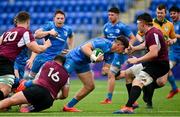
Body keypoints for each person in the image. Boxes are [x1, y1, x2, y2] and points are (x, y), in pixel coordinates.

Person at [113, 13, 169, 114]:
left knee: (137, 81)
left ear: (143, 24)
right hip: (152, 63)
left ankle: (128, 107)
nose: (137, 25)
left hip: (159, 65)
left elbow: (154, 53)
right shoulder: (151, 32)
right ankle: (133, 102)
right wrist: (134, 48)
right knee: (128, 74)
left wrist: (137, 60)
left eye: (138, 23)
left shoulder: (152, 34)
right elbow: (145, 44)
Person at [62, 35, 129, 112]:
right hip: (73, 58)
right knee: (60, 82)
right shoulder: (103, 43)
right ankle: (48, 97)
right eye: (124, 48)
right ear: (118, 45)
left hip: (83, 63)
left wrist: (111, 72)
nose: (124, 51)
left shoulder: (112, 55)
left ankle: (68, 106)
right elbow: (84, 47)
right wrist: (94, 57)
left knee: (90, 86)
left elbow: (105, 70)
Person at [0, 11, 51, 100]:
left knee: (6, 86)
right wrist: (46, 45)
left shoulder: (7, 32)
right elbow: (37, 49)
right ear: (28, 21)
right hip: (6, 61)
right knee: (5, 90)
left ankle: (5, 105)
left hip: (3, 59)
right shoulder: (25, 32)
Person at [0, 55, 69, 112]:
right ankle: (26, 108)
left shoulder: (48, 64)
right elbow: (65, 95)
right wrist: (57, 96)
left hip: (37, 90)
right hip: (48, 101)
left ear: (54, 60)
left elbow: (36, 80)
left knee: (11, 100)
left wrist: (26, 84)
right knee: (24, 109)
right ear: (63, 63)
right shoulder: (66, 75)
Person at [100, 7, 139, 104]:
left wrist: (127, 47)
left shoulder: (122, 26)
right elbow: (103, 40)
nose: (110, 16)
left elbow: (133, 38)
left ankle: (108, 99)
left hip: (119, 54)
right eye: (109, 14)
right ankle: (132, 72)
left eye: (112, 15)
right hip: (109, 54)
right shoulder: (106, 26)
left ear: (117, 15)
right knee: (113, 75)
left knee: (111, 74)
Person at [142, 4, 177, 107]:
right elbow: (139, 35)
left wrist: (172, 41)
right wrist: (145, 43)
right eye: (158, 12)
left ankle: (146, 88)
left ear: (165, 13)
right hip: (151, 55)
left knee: (161, 82)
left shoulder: (170, 25)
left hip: (163, 57)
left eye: (161, 13)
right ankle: (149, 102)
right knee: (151, 77)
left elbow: (174, 38)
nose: (159, 15)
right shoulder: (150, 23)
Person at [28, 9, 74, 79]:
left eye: (62, 18)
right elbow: (36, 35)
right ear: (54, 19)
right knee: (31, 77)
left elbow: (71, 36)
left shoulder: (68, 29)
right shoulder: (49, 25)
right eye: (58, 18)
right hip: (43, 56)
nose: (60, 20)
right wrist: (49, 32)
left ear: (64, 19)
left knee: (48, 80)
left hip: (57, 59)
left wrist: (71, 49)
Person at [166, 6, 180, 99]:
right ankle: (174, 88)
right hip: (174, 53)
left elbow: (174, 36)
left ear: (178, 13)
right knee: (165, 68)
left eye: (174, 13)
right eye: (170, 14)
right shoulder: (170, 25)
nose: (172, 15)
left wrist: (174, 36)